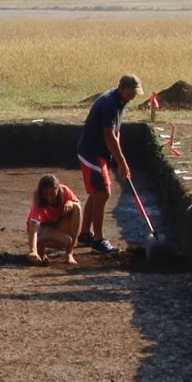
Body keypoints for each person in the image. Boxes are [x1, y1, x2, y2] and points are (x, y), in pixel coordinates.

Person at [76, 74, 143, 254]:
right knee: (103, 192)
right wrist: (122, 163)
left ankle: (84, 234)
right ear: (121, 87)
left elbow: (116, 133)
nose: (132, 97)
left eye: (134, 94)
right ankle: (98, 240)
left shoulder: (120, 101)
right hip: (91, 152)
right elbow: (109, 136)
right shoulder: (110, 103)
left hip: (98, 153)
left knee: (97, 193)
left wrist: (118, 159)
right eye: (129, 93)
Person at [26, 174, 81, 266]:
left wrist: (70, 202)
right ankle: (39, 246)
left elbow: (77, 204)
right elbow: (34, 228)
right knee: (67, 240)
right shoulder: (38, 200)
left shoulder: (64, 191)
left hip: (56, 223)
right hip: (41, 229)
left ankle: (69, 253)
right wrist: (33, 250)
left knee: (76, 207)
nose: (49, 197)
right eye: (45, 194)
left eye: (52, 193)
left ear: (58, 189)